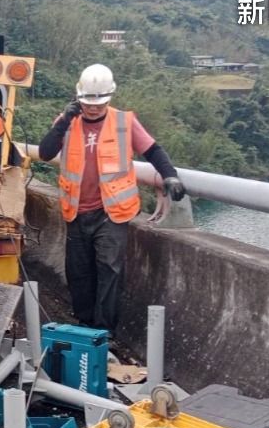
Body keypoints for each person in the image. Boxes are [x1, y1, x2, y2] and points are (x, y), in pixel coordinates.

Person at [38, 64, 187, 335]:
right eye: (87, 103)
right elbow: (46, 152)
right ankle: (84, 326)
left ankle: (103, 332)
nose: (93, 108)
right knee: (78, 272)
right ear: (78, 98)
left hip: (112, 212)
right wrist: (63, 122)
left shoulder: (124, 122)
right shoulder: (67, 121)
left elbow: (153, 150)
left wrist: (170, 175)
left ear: (110, 98)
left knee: (109, 270)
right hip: (76, 211)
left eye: (99, 104)